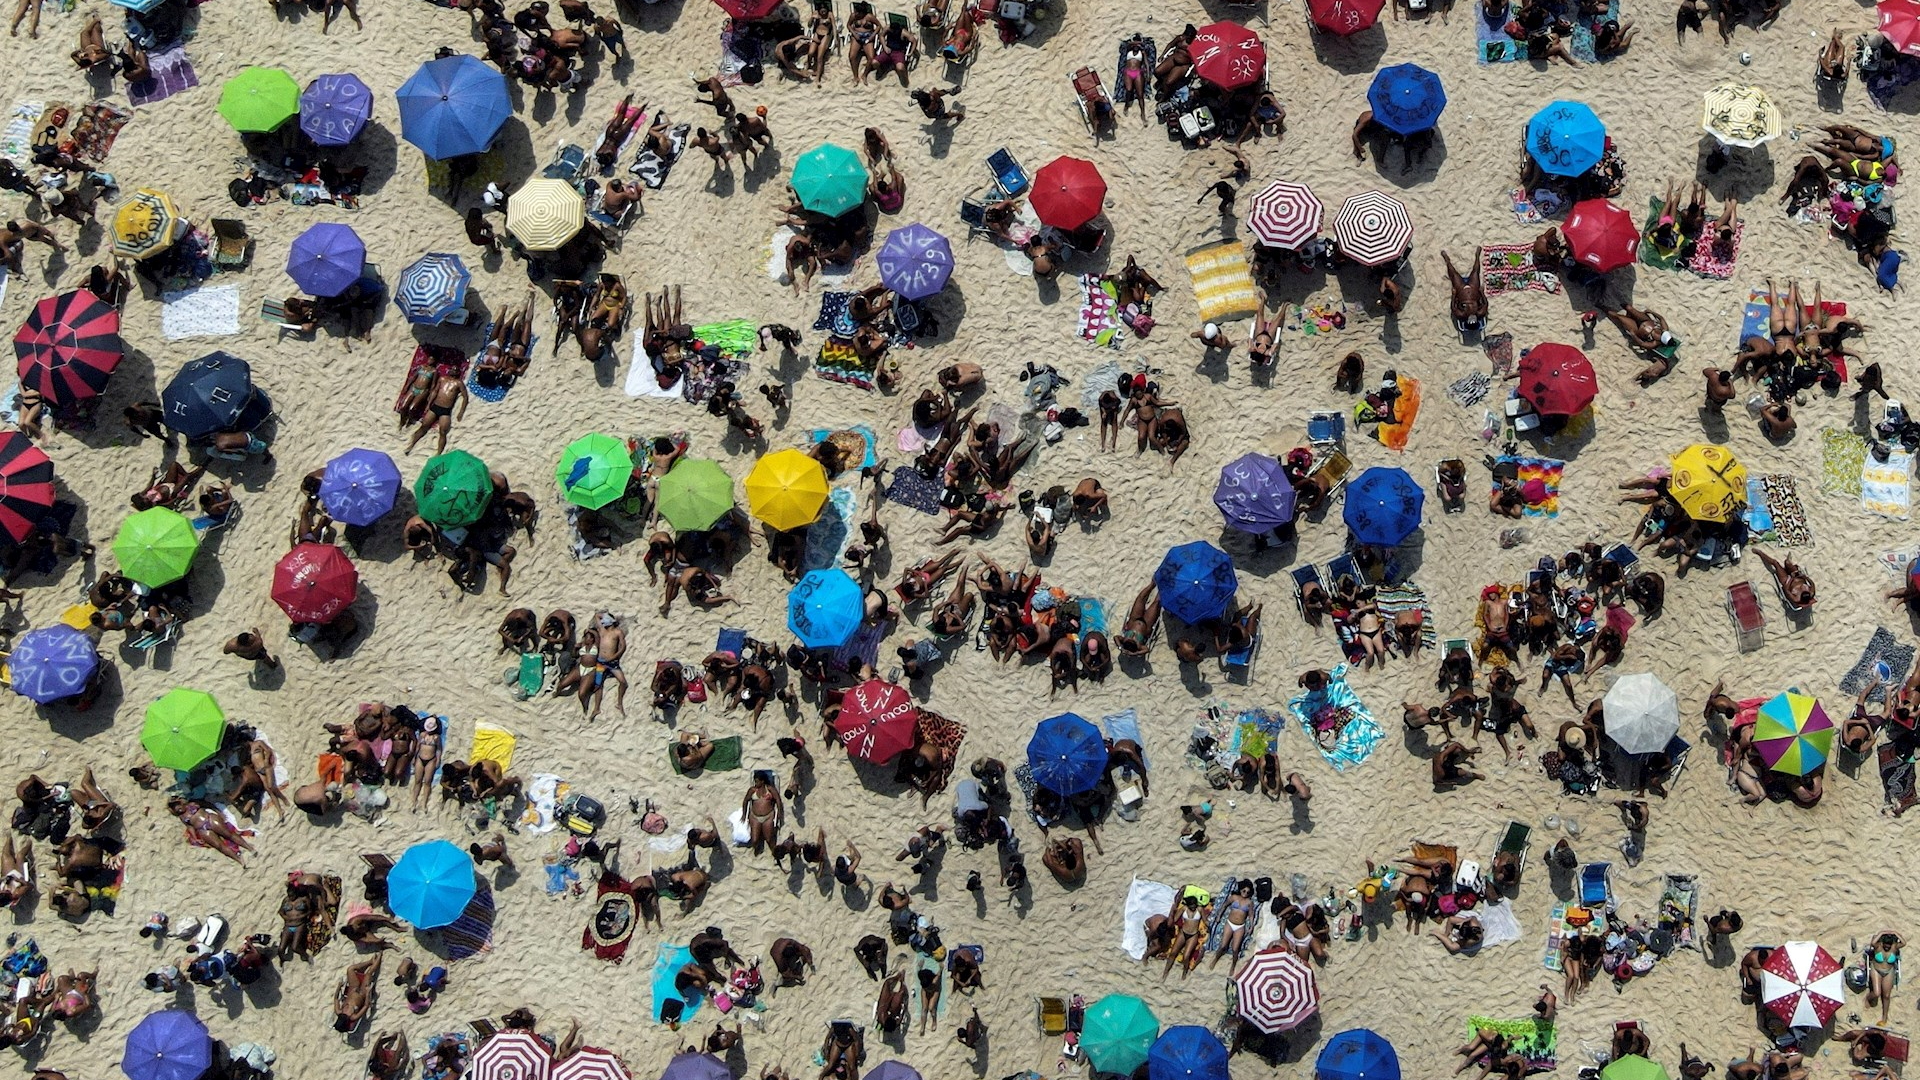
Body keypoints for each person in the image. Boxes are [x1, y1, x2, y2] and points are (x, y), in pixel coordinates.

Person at [1441, 249, 1488, 335]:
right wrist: (1482, 292)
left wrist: (1454, 295)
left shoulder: (1461, 315)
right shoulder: (1480, 313)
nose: (1472, 318)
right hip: (1474, 289)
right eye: (1474, 320)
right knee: (1476, 271)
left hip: (1461, 290)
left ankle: (1447, 260)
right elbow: (1485, 303)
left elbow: (1453, 307)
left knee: (1454, 275)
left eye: (1471, 320)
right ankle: (1477, 255)